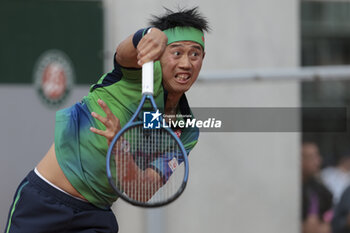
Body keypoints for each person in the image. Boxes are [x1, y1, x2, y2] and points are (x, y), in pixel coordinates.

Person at [5, 7, 209, 233]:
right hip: (44, 200)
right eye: (177, 52)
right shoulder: (140, 73)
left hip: (95, 217)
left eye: (195, 54)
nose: (186, 64)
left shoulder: (185, 131)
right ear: (158, 55)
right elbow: (123, 54)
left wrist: (121, 149)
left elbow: (141, 191)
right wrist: (147, 35)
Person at [301, 142, 333, 233]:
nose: (318, 161)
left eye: (317, 156)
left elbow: (330, 210)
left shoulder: (319, 188)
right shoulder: (290, 188)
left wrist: (326, 221)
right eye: (311, 157)